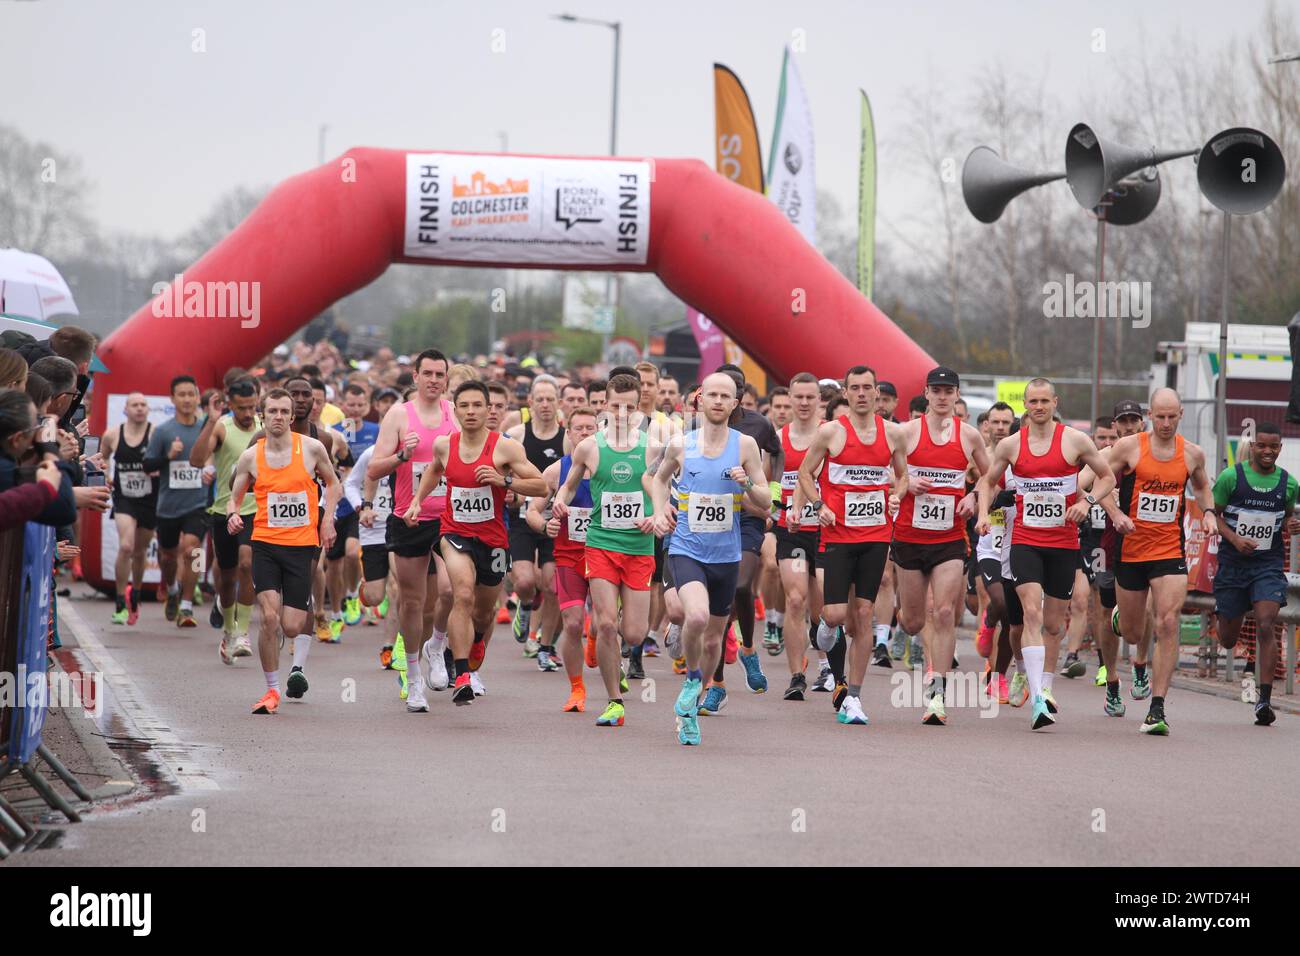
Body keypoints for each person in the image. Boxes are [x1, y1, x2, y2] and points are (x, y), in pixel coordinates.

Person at [976, 378, 1116, 731]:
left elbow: (1107, 477)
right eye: (1032, 401)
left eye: (1044, 401)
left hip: (1063, 543)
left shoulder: (1074, 440)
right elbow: (988, 482)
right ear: (1025, 405)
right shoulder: (1010, 445)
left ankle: (1045, 685)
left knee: (1054, 623)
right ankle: (1038, 698)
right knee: (1032, 613)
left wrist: (1086, 502)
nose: (1038, 407)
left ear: (1055, 402)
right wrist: (982, 513)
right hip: (1025, 540)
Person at [406, 380, 547, 708]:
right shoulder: (445, 445)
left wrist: (503, 480)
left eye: (477, 406)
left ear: (488, 410)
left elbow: (540, 486)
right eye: (464, 406)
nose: (471, 412)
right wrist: (417, 501)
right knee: (462, 593)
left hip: (494, 540)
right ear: (455, 411)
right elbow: (432, 471)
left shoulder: (505, 448)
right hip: (454, 533)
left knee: (484, 612)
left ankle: (476, 643)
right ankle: (462, 673)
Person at [650, 373, 771, 745]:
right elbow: (657, 480)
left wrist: (746, 484)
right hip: (687, 549)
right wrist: (659, 511)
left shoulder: (746, 445)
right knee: (698, 616)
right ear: (700, 400)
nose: (718, 401)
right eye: (712, 395)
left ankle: (689, 712)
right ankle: (689, 682)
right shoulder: (680, 445)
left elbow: (766, 501)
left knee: (715, 640)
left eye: (726, 396)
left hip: (726, 555)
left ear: (736, 404)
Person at [1091, 388, 1215, 735]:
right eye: (1158, 416)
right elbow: (1098, 478)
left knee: (1166, 622)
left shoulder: (1192, 453)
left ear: (1180, 416)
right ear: (1150, 414)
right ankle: (1121, 617)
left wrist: (1208, 513)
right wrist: (1113, 511)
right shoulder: (1130, 447)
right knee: (1132, 631)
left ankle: (1157, 708)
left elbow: (1203, 487)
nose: (1164, 423)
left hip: (1168, 551)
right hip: (1130, 551)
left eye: (1170, 417)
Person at [798, 366, 908, 724]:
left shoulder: (893, 434)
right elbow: (804, 473)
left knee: (863, 613)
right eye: (855, 388)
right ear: (846, 392)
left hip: (876, 536)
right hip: (838, 535)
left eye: (868, 388)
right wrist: (819, 506)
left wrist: (896, 495)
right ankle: (826, 631)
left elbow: (903, 475)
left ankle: (853, 697)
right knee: (834, 615)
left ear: (877, 393)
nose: (862, 394)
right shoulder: (830, 432)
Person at [552, 372, 658, 727]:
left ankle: (606, 645)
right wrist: (559, 502)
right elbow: (567, 486)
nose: (622, 412)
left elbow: (666, 489)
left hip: (639, 547)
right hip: (600, 543)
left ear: (639, 407)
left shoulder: (653, 446)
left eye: (629, 406)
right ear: (605, 406)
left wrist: (656, 514)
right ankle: (614, 702)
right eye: (615, 405)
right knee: (608, 624)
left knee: (634, 633)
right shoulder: (590, 447)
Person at [228, 389, 341, 714]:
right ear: (263, 416)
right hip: (265, 544)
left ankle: (283, 646)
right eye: (272, 411)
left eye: (283, 411)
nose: (277, 417)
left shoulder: (311, 449)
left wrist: (328, 520)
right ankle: (272, 691)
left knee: (291, 626)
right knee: (269, 618)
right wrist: (234, 516)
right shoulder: (252, 456)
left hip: (301, 547)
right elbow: (234, 498)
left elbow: (333, 484)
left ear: (292, 417)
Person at [893, 367, 991, 725]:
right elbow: (881, 468)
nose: (942, 396)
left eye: (949, 390)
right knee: (914, 621)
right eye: (936, 390)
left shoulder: (969, 437)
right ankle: (899, 621)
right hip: (908, 536)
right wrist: (906, 480)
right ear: (926, 393)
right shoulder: (905, 433)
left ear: (956, 395)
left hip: (949, 538)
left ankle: (937, 694)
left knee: (946, 612)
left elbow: (990, 475)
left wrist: (974, 498)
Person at [368, 350, 458, 704]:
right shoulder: (398, 415)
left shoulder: (454, 413)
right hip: (409, 517)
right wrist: (402, 456)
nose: (434, 380)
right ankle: (414, 676)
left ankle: (436, 645)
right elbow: (375, 469)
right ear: (416, 377)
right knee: (413, 602)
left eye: (440, 374)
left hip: (450, 518)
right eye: (428, 374)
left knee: (450, 592)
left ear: (447, 378)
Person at [1211, 422, 1299, 726]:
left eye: (1273, 447)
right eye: (1262, 445)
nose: (1267, 452)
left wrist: (1289, 525)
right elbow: (1213, 514)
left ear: (1280, 448)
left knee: (1266, 622)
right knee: (1227, 639)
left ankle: (1264, 700)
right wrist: (1235, 539)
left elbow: (1285, 517)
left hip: (1267, 565)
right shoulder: (1230, 477)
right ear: (1253, 445)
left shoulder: (1288, 483)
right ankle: (1222, 615)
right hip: (1234, 565)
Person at [527, 407, 600, 704]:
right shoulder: (556, 471)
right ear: (567, 433)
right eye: (579, 428)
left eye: (590, 428)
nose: (584, 433)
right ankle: (577, 689)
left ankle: (597, 640)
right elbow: (532, 510)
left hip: (603, 554)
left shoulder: (610, 469)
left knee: (604, 623)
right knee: (572, 623)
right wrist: (546, 526)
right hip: (569, 556)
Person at [190, 379, 260, 658]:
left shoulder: (264, 427)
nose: (247, 413)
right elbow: (196, 460)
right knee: (228, 576)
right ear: (231, 405)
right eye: (242, 408)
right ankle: (229, 630)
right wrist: (210, 420)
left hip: (256, 509)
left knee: (247, 563)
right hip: (224, 509)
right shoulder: (222, 426)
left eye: (252, 407)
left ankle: (242, 633)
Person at [504, 374, 565, 660]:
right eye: (539, 399)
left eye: (550, 399)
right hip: (520, 518)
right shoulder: (517, 435)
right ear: (529, 402)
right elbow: (502, 471)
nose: (544, 405)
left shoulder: (567, 440)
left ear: (559, 403)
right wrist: (509, 490)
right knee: (526, 581)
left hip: (555, 519)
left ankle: (545, 645)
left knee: (552, 585)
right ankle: (526, 607)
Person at [143, 376, 209, 628]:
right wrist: (168, 457)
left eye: (191, 394)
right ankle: (171, 589)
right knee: (168, 557)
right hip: (169, 506)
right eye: (181, 395)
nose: (187, 399)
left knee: (194, 549)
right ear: (172, 399)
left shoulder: (206, 429)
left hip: (199, 503)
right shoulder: (163, 431)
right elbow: (148, 465)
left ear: (197, 396)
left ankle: (187, 605)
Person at [326, 382, 379, 635]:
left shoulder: (376, 430)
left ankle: (351, 593)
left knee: (351, 552)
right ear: (343, 405)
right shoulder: (333, 432)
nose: (356, 410)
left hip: (361, 505)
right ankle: (335, 612)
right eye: (351, 405)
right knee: (332, 562)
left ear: (368, 405)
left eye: (361, 405)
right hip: (336, 504)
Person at [102, 392, 158, 626]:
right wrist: (105, 474)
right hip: (124, 497)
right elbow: (101, 458)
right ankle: (119, 601)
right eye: (134, 404)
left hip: (149, 498)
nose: (139, 408)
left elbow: (166, 461)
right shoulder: (113, 434)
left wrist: (159, 468)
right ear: (125, 409)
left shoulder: (155, 434)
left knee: (140, 550)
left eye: (143, 404)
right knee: (126, 546)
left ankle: (134, 592)